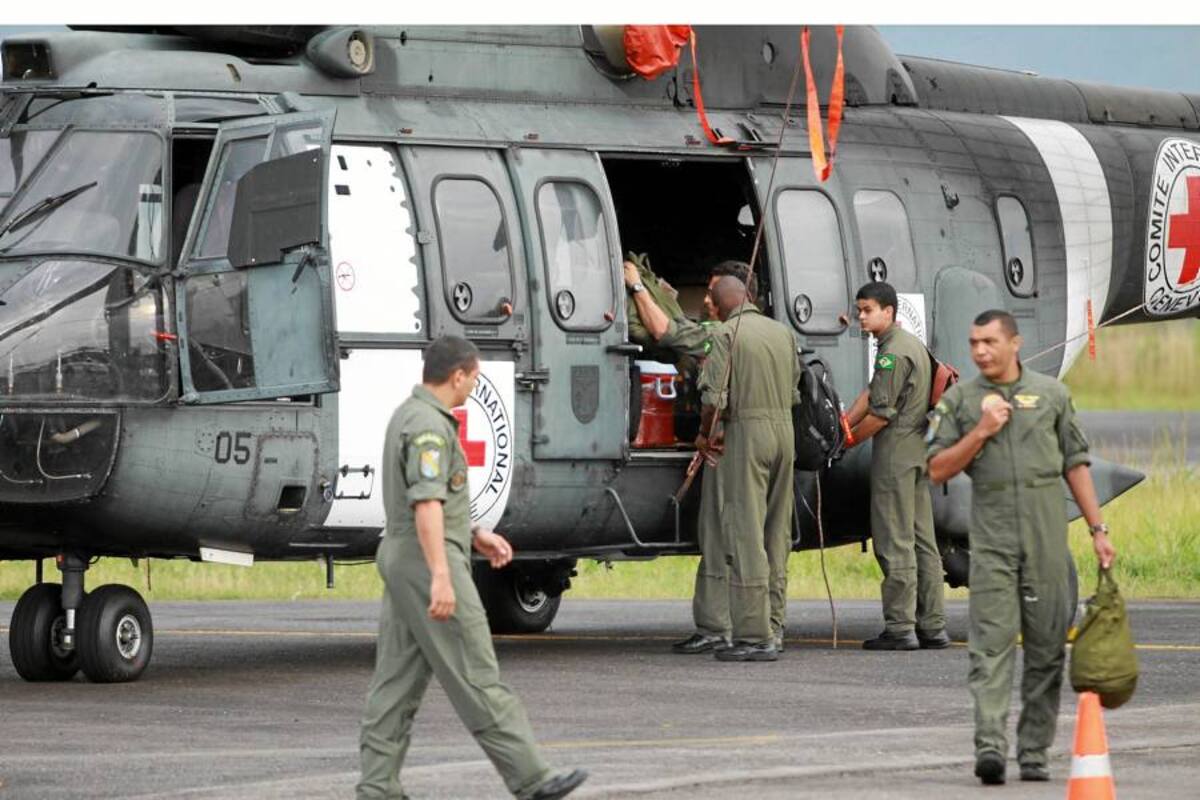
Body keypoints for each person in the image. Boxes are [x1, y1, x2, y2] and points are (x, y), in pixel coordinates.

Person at [357, 336, 587, 800]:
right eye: (474, 376)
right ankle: (531, 778)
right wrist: (442, 574)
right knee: (476, 671)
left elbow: (431, 499)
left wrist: (475, 532)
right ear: (457, 375)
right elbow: (425, 505)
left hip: (408, 558)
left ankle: (378, 787)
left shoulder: (410, 413)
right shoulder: (428, 426)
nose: (473, 384)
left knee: (395, 683)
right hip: (427, 561)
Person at [926, 310, 1116, 786]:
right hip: (991, 542)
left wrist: (1098, 529)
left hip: (1047, 537)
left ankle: (1034, 751)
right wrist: (981, 431)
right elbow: (936, 468)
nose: (980, 351)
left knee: (1048, 647)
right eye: (974, 343)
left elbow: (1076, 464)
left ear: (1015, 343)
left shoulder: (1053, 395)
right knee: (989, 648)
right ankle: (990, 747)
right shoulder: (962, 402)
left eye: (989, 341)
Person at [623, 259, 759, 654]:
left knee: (718, 533)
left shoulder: (720, 333)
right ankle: (761, 626)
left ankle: (719, 626)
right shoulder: (769, 333)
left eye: (714, 292)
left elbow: (665, 332)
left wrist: (637, 286)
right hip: (763, 441)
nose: (707, 299)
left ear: (734, 296)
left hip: (725, 441)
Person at [698, 276, 800, 662]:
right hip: (784, 432)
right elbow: (794, 392)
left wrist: (705, 436)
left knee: (745, 531)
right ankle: (775, 625)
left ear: (722, 304)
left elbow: (714, 400)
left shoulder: (725, 335)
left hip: (747, 432)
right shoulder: (782, 333)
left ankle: (754, 634)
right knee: (777, 530)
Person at [843, 281, 948, 651]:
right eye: (859, 310)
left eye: (868, 310)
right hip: (919, 451)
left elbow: (881, 413)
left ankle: (901, 627)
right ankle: (933, 625)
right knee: (923, 539)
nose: (861, 316)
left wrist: (847, 440)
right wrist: (846, 420)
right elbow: (872, 392)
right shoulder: (908, 345)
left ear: (889, 312)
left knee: (894, 538)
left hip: (896, 455)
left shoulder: (891, 353)